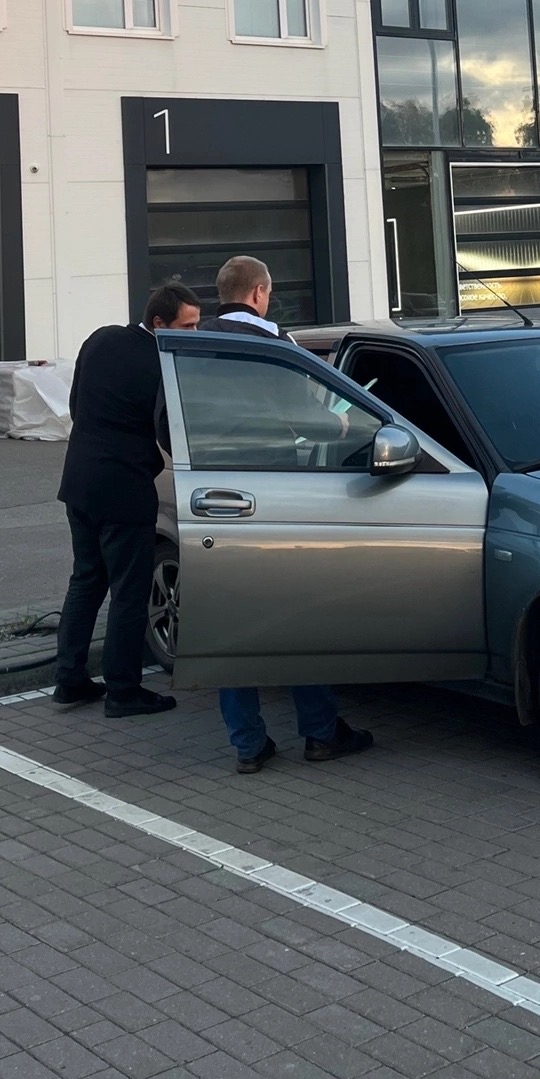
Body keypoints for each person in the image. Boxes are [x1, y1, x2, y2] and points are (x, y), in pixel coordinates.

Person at [203, 254, 375, 775]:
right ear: (259, 292)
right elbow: (310, 421)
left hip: (213, 499)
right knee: (297, 615)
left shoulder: (190, 344)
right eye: (268, 293)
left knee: (229, 623)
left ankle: (248, 745)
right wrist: (342, 426)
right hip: (275, 494)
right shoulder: (274, 344)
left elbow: (167, 423)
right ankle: (321, 734)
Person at [52, 282, 200, 715]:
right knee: (129, 591)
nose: (194, 334)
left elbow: (77, 404)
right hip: (125, 490)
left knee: (86, 579)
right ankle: (123, 690)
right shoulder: (163, 364)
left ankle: (69, 679)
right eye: (187, 326)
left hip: (80, 481)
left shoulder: (100, 339)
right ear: (159, 322)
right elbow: (169, 432)